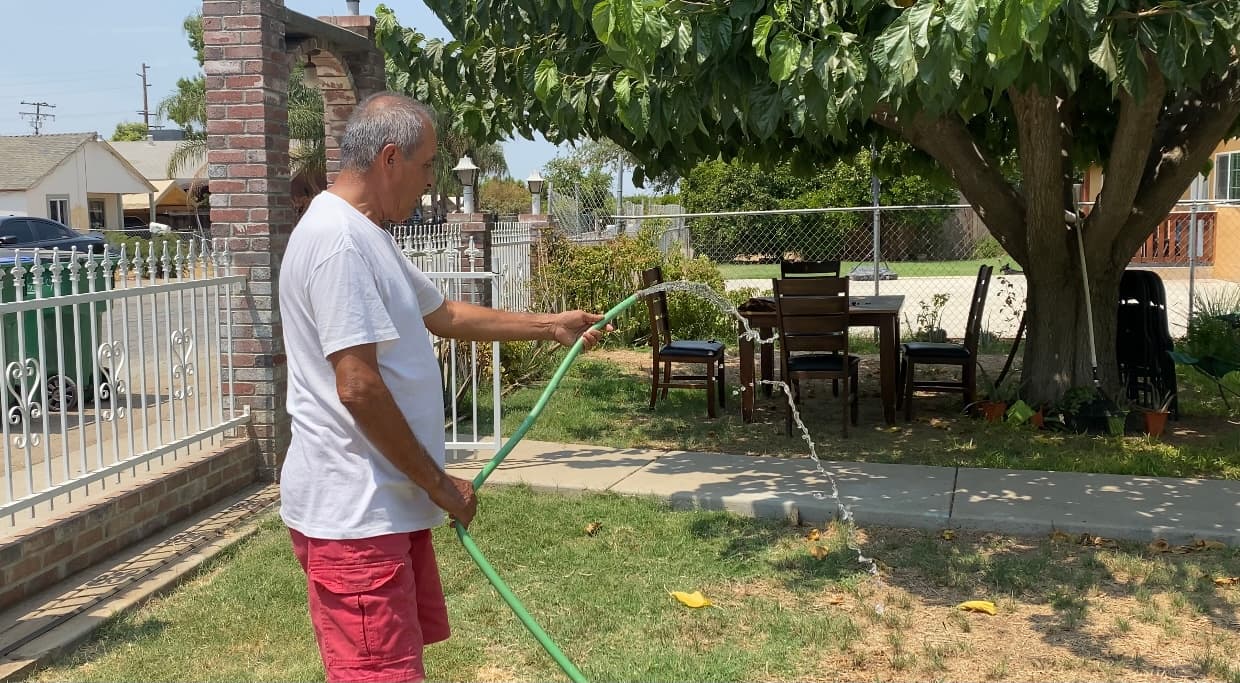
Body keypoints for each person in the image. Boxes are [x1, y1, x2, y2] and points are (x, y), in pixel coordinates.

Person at [277, 91, 609, 683]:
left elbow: (443, 314)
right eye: (427, 164)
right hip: (357, 519)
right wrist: (440, 486)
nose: (431, 180)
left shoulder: (365, 233)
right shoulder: (338, 242)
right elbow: (358, 386)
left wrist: (549, 326)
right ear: (390, 159)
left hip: (385, 508)